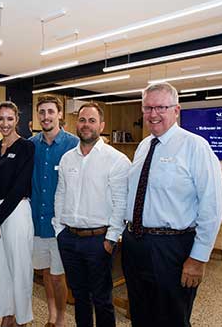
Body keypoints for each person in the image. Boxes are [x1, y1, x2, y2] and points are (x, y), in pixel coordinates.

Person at [122, 82, 222, 327]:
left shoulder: (195, 146)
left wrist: (198, 258)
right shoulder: (144, 146)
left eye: (161, 107)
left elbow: (212, 206)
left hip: (172, 248)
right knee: (140, 314)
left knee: (172, 318)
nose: (153, 114)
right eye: (147, 108)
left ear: (176, 110)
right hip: (135, 245)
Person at [53, 102, 130, 327]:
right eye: (83, 120)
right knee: (79, 297)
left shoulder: (116, 160)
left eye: (92, 120)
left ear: (102, 125)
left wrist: (111, 239)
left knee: (102, 299)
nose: (86, 125)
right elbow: (60, 194)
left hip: (99, 241)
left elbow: (121, 204)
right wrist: (59, 230)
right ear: (77, 124)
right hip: (69, 238)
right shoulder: (68, 158)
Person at [0, 101, 35, 327]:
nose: (5, 123)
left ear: (17, 120)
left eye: (10, 119)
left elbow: (19, 187)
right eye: (1, 119)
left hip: (16, 211)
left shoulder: (26, 147)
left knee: (19, 267)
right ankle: (7, 315)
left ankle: (22, 318)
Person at [30, 95, 78, 327]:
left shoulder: (74, 144)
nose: (46, 116)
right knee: (46, 273)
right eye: (42, 112)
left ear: (60, 114)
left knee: (59, 275)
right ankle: (51, 314)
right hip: (37, 221)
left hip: (61, 224)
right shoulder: (30, 145)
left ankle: (60, 319)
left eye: (50, 112)